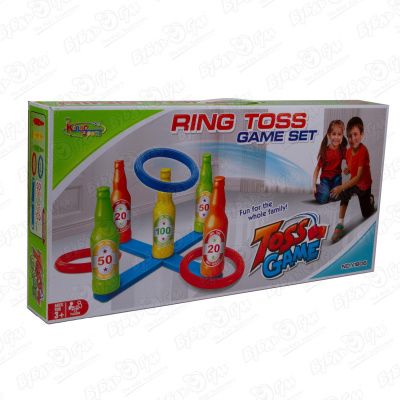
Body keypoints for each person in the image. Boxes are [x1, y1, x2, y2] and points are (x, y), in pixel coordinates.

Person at [330, 117, 375, 243]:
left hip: (364, 185)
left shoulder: (363, 151)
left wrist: (341, 187)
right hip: (353, 182)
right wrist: (348, 170)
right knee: (344, 195)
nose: (352, 138)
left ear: (362, 135)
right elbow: (352, 165)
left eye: (355, 134)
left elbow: (358, 177)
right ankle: (339, 225)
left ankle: (370, 200)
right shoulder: (349, 152)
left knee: (366, 214)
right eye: (349, 136)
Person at [313, 120, 347, 204]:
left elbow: (350, 160)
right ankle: (320, 189)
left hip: (336, 178)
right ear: (329, 135)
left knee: (336, 198)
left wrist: (349, 168)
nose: (336, 137)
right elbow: (317, 169)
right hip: (325, 180)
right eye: (334, 134)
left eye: (339, 134)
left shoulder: (342, 150)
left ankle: (330, 191)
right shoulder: (325, 151)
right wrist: (313, 184)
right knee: (323, 199)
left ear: (342, 136)